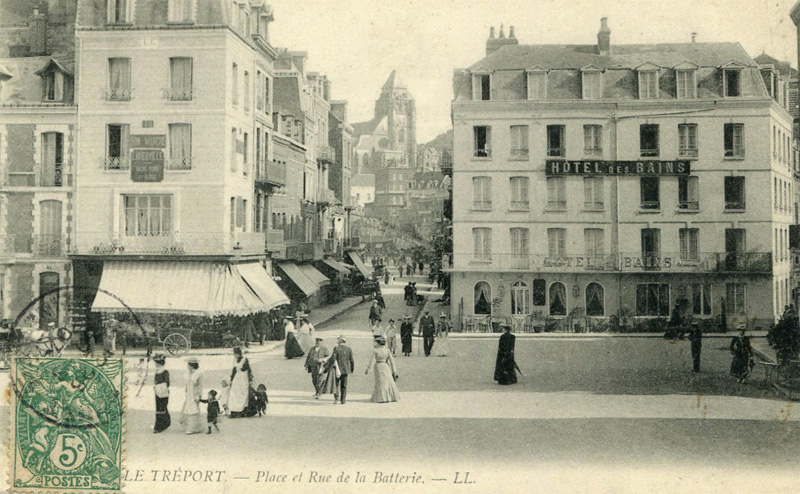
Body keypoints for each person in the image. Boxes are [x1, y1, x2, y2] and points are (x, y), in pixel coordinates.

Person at [365, 336, 400, 403]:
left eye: (375, 342)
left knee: (380, 382)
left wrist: (368, 369)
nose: (374, 344)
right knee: (388, 381)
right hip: (385, 366)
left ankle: (381, 398)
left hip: (378, 366)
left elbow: (372, 361)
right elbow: (392, 361)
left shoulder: (376, 351)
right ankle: (390, 397)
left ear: (378, 343)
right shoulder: (387, 350)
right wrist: (394, 371)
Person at [181, 357, 204, 434]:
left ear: (191, 365)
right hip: (189, 393)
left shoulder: (198, 374)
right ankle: (189, 426)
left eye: (188, 365)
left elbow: (199, 385)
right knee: (188, 407)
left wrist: (198, 395)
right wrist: (186, 389)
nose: (187, 367)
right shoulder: (188, 373)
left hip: (194, 394)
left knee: (193, 408)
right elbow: (187, 383)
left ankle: (193, 428)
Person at [329, 335, 354, 404]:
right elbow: (351, 360)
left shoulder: (336, 348)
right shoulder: (349, 349)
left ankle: (336, 398)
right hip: (346, 369)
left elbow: (333, 358)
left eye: (338, 340)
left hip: (337, 369)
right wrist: (352, 369)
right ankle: (343, 400)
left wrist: (329, 366)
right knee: (344, 385)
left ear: (340, 341)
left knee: (336, 384)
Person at [229, 347, 253, 418]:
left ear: (239, 353)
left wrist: (250, 380)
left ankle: (242, 410)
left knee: (242, 393)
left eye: (236, 354)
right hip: (237, 378)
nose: (235, 355)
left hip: (243, 378)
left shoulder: (244, 360)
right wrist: (231, 379)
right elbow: (234, 370)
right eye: (234, 354)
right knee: (234, 394)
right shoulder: (234, 360)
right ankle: (234, 410)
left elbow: (248, 369)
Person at [153, 354, 171, 433]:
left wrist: (160, 386)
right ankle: (164, 423)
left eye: (156, 362)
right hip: (158, 391)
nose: (155, 364)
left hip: (163, 391)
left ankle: (160, 426)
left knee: (162, 407)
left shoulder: (165, 371)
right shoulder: (158, 371)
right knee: (159, 407)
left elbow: (167, 383)